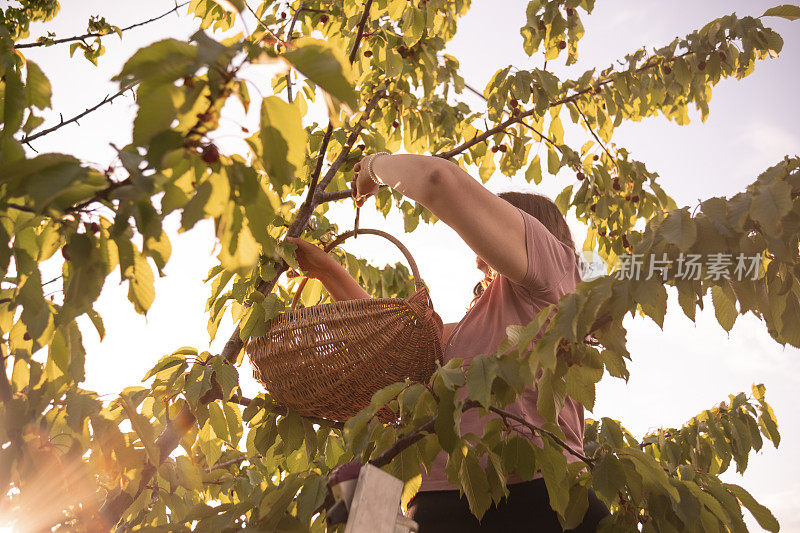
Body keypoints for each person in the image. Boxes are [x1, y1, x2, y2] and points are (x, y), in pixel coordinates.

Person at [286, 153, 610, 532]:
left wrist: (375, 166)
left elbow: (439, 179)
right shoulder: (471, 329)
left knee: (366, 501)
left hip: (536, 498)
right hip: (444, 506)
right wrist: (326, 270)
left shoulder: (555, 271)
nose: (477, 256)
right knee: (356, 487)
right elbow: (389, 340)